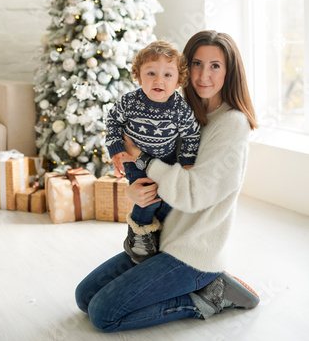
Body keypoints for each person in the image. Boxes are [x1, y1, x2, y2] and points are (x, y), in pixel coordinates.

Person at [75, 30, 260, 332]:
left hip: (193, 253)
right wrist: (134, 191)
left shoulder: (232, 125)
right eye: (197, 63)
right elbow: (144, 159)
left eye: (215, 66)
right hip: (163, 239)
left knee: (103, 314)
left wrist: (143, 161)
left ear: (230, 72)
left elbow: (193, 194)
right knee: (84, 297)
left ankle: (212, 295)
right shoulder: (182, 111)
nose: (204, 75)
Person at [105, 40, 200, 263]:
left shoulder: (180, 109)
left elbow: (191, 134)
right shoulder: (129, 102)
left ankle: (158, 232)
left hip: (166, 160)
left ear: (178, 80)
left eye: (168, 75)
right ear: (139, 77)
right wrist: (116, 148)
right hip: (133, 161)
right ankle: (139, 235)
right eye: (151, 73)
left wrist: (187, 162)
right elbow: (112, 121)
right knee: (148, 195)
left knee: (167, 196)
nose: (159, 80)